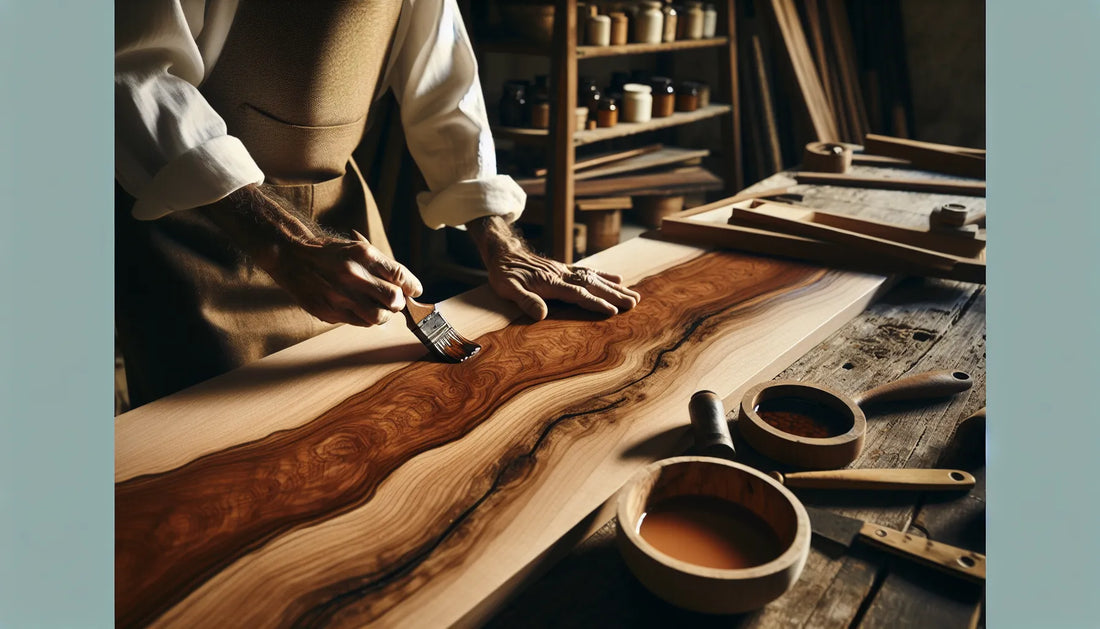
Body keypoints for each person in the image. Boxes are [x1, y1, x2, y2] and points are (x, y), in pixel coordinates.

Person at [115, 0, 640, 408]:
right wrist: (286, 246)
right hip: (195, 230)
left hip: (344, 224)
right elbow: (130, 70)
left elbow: (445, 88)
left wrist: (499, 238)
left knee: (374, 408)